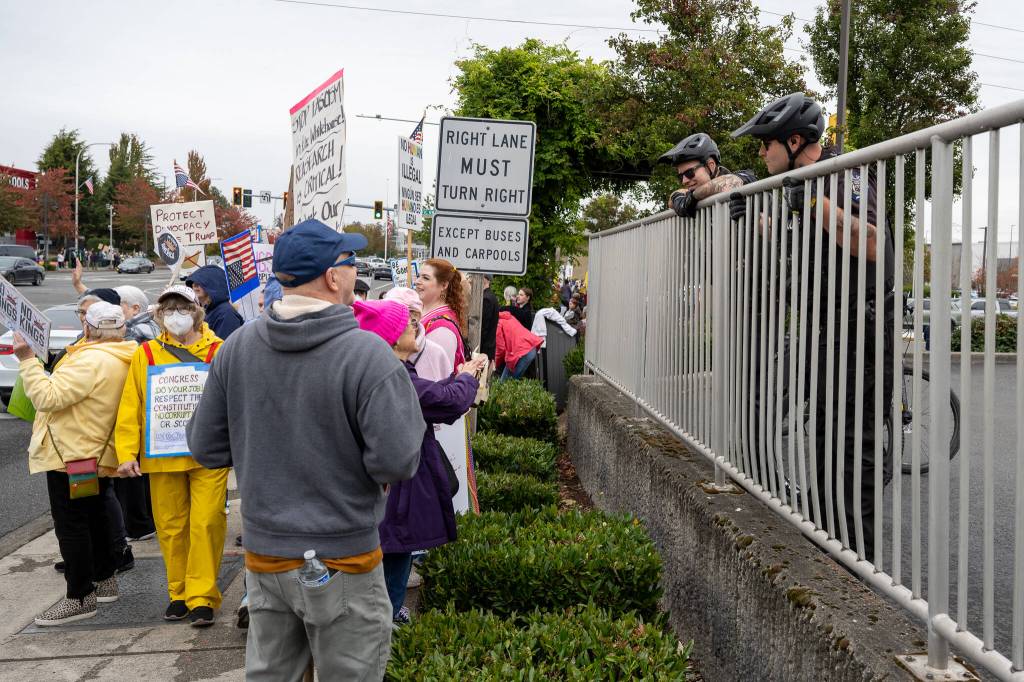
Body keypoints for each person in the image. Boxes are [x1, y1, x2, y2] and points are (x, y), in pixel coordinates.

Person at [187, 219, 424, 680]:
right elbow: (397, 459)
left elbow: (205, 445)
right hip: (344, 558)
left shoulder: (237, 348)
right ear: (333, 277)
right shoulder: (367, 354)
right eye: (351, 261)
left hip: (265, 558)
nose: (356, 271)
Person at [730, 91, 895, 561]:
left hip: (861, 330)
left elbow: (872, 243)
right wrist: (749, 219)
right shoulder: (795, 186)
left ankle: (856, 563)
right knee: (822, 439)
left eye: (767, 145)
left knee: (854, 449)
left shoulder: (849, 173)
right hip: (824, 327)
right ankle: (827, 547)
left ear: (796, 140)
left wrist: (816, 204)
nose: (761, 154)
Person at [351, 299, 485, 627]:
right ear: (391, 337)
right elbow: (444, 402)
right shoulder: (392, 374)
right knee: (395, 551)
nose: (415, 324)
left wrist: (460, 378)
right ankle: (385, 625)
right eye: (407, 322)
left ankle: (386, 616)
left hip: (390, 483)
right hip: (395, 484)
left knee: (397, 550)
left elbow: (432, 394)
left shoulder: (392, 369)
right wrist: (466, 378)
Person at [18, 302, 138, 625]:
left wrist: (28, 360)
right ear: (121, 329)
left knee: (72, 525)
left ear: (88, 329)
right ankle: (104, 579)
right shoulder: (124, 356)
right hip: (93, 453)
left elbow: (46, 397)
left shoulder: (90, 361)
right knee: (95, 518)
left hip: (70, 455)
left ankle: (80, 596)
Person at [114, 285, 227, 627]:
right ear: (159, 315)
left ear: (196, 311)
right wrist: (126, 452)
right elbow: (130, 405)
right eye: (168, 309)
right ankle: (179, 593)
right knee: (171, 527)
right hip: (162, 455)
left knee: (207, 523)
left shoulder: (219, 350)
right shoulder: (146, 353)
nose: (175, 315)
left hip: (208, 454)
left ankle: (202, 596)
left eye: (182, 308)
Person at [659, 133, 757, 219]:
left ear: (710, 165)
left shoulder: (743, 177)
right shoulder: (698, 191)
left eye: (689, 173)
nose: (684, 181)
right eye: (681, 176)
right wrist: (676, 196)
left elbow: (731, 180)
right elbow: (674, 197)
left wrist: (692, 197)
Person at [385, 287, 451, 381]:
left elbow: (445, 393)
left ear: (415, 317)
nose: (389, 317)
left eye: (396, 312)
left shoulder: (436, 353)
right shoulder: (379, 346)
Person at [416, 258, 467, 372]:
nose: (417, 281)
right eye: (418, 276)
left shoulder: (442, 328)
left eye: (425, 278)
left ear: (444, 285)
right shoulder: (421, 311)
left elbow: (436, 378)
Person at [186, 265, 243, 340]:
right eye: (193, 282)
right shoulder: (203, 310)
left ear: (214, 285)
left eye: (201, 282)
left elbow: (224, 348)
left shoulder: (226, 314)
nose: (194, 285)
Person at [495, 311, 544, 380]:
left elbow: (500, 349)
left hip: (521, 352)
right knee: (513, 381)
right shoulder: (509, 317)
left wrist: (494, 365)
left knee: (505, 383)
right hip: (531, 348)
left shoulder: (498, 324)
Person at [480, 273, 499, 363]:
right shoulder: (489, 295)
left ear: (485, 279)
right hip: (488, 345)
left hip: (484, 347)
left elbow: (484, 326)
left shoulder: (486, 298)